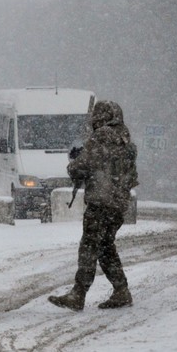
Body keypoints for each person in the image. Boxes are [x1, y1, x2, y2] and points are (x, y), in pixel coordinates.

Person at [48, 100, 138, 311]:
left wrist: (74, 162)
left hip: (101, 201)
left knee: (89, 246)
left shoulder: (101, 137)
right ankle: (121, 290)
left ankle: (78, 294)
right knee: (105, 247)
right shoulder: (125, 139)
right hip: (118, 204)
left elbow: (82, 166)